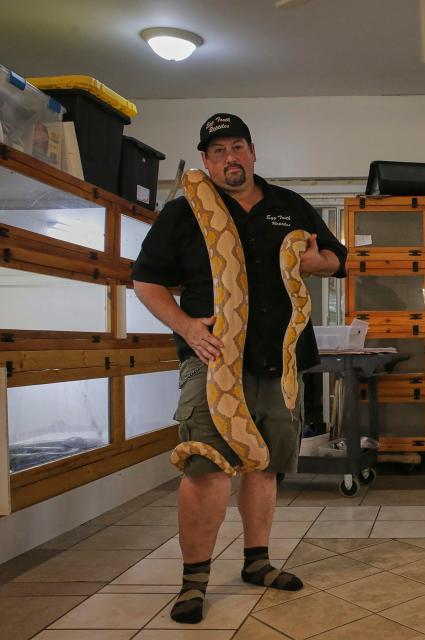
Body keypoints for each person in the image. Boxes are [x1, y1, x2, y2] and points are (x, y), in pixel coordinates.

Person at [132, 113, 347, 624]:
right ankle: (194, 582)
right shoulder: (184, 213)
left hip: (281, 359)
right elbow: (146, 281)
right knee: (205, 466)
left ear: (253, 152)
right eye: (218, 151)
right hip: (212, 360)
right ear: (206, 161)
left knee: (265, 463)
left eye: (238, 147)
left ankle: (258, 562)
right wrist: (186, 327)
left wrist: (319, 263)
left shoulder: (290, 207)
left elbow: (337, 257)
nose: (230, 158)